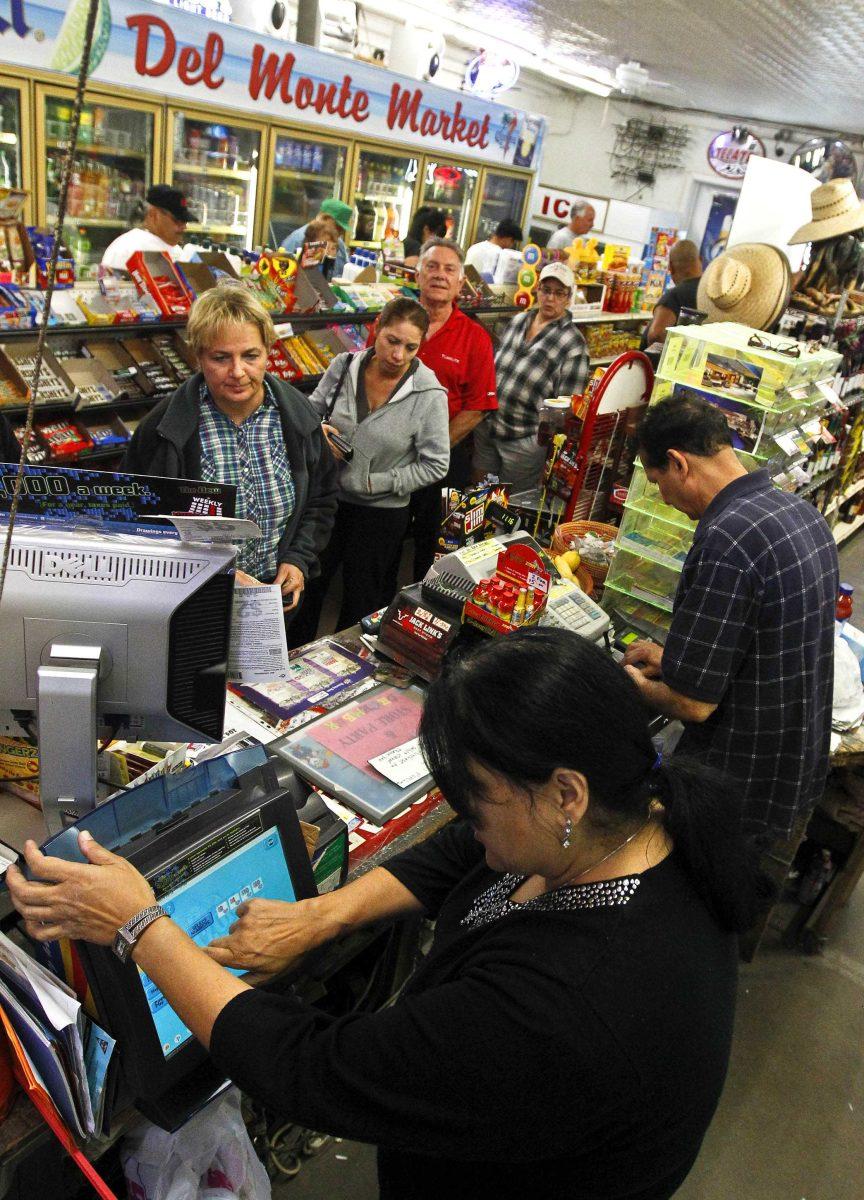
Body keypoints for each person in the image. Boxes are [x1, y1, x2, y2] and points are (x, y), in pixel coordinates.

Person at [8, 628, 760, 1200]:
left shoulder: (564, 1005)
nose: (467, 818)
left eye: (477, 793)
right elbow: (470, 852)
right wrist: (322, 916)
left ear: (566, 791)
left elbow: (309, 1069)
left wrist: (140, 926)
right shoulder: (626, 818)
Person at [622, 395, 837, 948]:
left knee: (690, 916)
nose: (665, 502)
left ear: (678, 462)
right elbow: (764, 641)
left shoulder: (726, 538)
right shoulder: (798, 512)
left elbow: (695, 704)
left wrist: (629, 685)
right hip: (793, 766)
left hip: (736, 780)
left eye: (657, 483)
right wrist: (672, 658)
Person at [122, 285, 337, 625]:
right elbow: (140, 521)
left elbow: (321, 500)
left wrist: (297, 558)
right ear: (198, 357)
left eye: (250, 356)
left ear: (268, 351)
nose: (237, 371)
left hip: (275, 605)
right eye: (220, 358)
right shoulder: (162, 431)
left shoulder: (300, 420)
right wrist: (215, 573)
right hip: (191, 604)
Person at [289, 297, 449, 641]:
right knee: (309, 590)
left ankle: (349, 672)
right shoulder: (344, 365)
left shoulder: (429, 393)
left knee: (363, 601)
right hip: (327, 504)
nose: (398, 356)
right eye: (392, 341)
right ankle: (291, 665)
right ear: (376, 328)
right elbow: (309, 413)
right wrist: (319, 431)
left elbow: (436, 463)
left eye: (411, 347)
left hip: (381, 517)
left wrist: (377, 483)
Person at [400, 237, 497, 578]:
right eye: (432, 266)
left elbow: (477, 407)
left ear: (460, 282)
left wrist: (432, 448)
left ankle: (416, 613)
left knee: (432, 547)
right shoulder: (393, 324)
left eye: (449, 269)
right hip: (388, 456)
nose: (440, 275)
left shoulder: (475, 337)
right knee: (383, 541)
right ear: (417, 275)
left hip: (443, 459)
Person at [473, 261, 589, 494]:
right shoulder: (518, 321)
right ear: (537, 290)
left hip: (524, 440)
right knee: (478, 495)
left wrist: (547, 450)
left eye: (559, 293)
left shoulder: (574, 345)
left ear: (568, 298)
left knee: (509, 506)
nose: (550, 298)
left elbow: (567, 408)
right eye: (546, 290)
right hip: (487, 427)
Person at [101, 185, 195, 272]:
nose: (184, 227)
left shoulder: (176, 250)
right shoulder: (127, 248)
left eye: (185, 221)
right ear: (153, 215)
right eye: (177, 220)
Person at [642, 239, 704, 347]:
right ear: (700, 260)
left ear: (671, 266)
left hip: (661, 363)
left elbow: (656, 335)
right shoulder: (708, 293)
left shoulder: (675, 296)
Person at [279, 199, 353, 277]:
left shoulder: (338, 241)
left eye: (342, 230)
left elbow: (344, 270)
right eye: (338, 227)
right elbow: (282, 275)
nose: (340, 232)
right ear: (324, 218)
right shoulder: (298, 239)